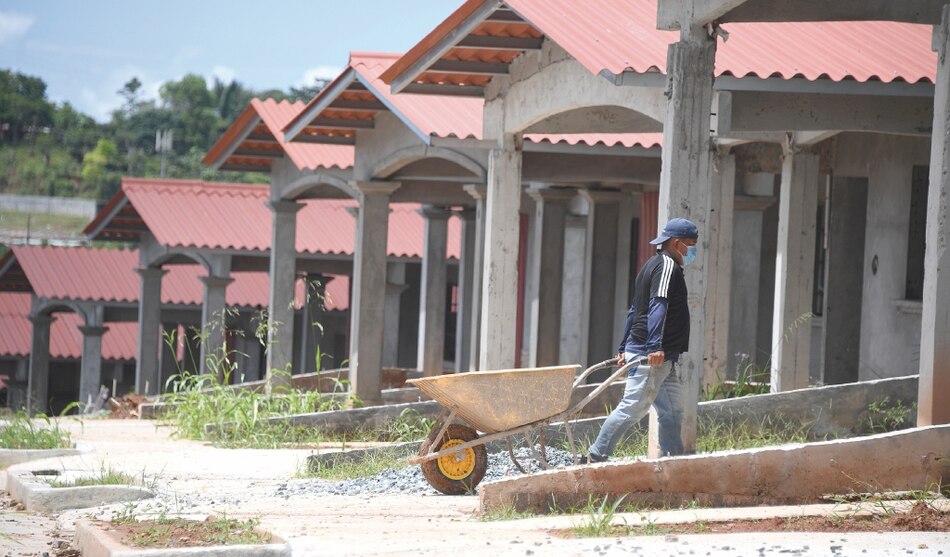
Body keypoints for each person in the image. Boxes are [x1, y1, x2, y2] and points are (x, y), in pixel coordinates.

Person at [584, 217, 699, 463]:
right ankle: (595, 456)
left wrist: (623, 346)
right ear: (676, 243)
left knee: (673, 411)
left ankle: (673, 463)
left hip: (662, 356)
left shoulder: (651, 264)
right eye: (691, 245)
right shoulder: (666, 266)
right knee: (633, 408)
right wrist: (653, 346)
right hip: (652, 354)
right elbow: (658, 306)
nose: (693, 251)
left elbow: (634, 310)